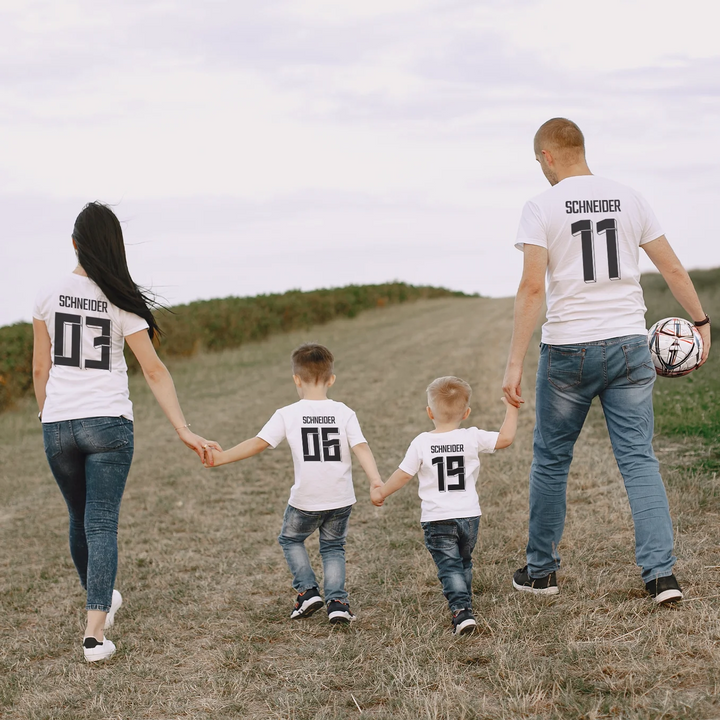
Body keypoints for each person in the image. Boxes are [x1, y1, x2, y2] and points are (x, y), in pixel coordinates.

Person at [502, 118, 711, 604]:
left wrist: (513, 363)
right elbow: (672, 267)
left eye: (539, 163)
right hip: (628, 346)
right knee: (639, 459)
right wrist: (700, 322)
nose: (541, 171)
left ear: (549, 156)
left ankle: (541, 573)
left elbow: (533, 286)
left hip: (568, 353)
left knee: (552, 462)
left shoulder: (540, 206)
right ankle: (662, 577)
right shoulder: (630, 197)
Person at [32, 202, 219, 662]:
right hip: (108, 423)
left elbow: (41, 366)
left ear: (74, 243)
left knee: (79, 519)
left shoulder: (47, 292)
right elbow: (153, 371)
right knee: (101, 523)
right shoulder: (121, 297)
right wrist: (183, 429)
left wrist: (48, 417)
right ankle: (94, 634)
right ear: (112, 245)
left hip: (58, 423)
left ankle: (100, 600)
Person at [203, 342, 382, 624]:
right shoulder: (344, 412)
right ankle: (337, 602)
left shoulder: (287, 413)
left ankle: (307, 590)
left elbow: (258, 443)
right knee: (333, 547)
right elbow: (361, 447)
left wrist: (221, 458)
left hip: (306, 499)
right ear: (331, 379)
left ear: (296, 379)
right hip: (341, 498)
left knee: (290, 538)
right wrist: (375, 481)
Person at [370, 377, 518, 635]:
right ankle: (465, 604)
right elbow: (505, 439)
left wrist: (382, 491)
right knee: (464, 561)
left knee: (449, 566)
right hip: (469, 516)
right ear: (467, 413)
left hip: (438, 518)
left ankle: (461, 610)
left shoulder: (421, 442)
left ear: (429, 413)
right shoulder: (471, 437)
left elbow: (404, 474)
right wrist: (512, 408)